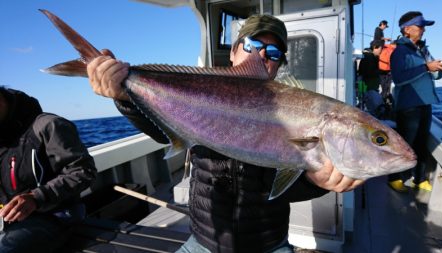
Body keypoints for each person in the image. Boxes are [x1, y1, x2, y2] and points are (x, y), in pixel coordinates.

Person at [86, 14, 364, 252]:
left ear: (279, 65)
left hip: (267, 243)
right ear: (233, 52)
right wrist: (124, 97)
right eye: (252, 45)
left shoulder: (299, 108)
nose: (263, 54)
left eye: (275, 53)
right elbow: (163, 133)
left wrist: (317, 182)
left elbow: (283, 188)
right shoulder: (202, 92)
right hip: (204, 241)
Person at [0, 87, 97, 252]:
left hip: (56, 215)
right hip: (9, 220)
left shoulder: (48, 125)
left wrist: (36, 198)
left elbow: (84, 171)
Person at [388, 11, 442, 193]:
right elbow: (399, 78)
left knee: (421, 142)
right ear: (407, 30)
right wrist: (425, 67)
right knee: (405, 144)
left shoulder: (423, 50)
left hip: (425, 103)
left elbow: (434, 74)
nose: (423, 30)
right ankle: (394, 176)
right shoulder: (400, 52)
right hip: (408, 106)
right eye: (420, 26)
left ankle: (420, 178)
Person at [358, 40, 384, 117]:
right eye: (380, 49)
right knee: (373, 109)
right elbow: (369, 73)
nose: (381, 51)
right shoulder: (369, 58)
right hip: (370, 88)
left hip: (368, 88)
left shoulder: (369, 56)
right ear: (375, 47)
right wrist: (380, 72)